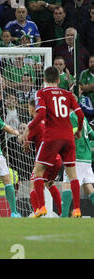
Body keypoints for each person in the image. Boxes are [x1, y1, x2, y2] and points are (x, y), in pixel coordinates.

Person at [26, 66, 85, 218]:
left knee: (38, 172)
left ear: (44, 79)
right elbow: (80, 115)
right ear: (59, 80)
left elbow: (41, 115)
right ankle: (77, 209)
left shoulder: (42, 93)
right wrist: (78, 130)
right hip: (68, 138)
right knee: (72, 174)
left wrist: (29, 126)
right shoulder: (68, 94)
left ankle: (41, 207)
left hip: (52, 137)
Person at [23, 98, 63, 216]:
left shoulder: (34, 123)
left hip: (44, 159)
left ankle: (38, 210)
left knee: (32, 185)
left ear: (31, 108)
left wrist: (22, 138)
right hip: (57, 158)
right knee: (50, 183)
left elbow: (26, 144)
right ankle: (62, 213)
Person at [60, 106, 94, 217]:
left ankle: (64, 215)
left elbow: (74, 132)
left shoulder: (71, 117)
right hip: (87, 157)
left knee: (67, 183)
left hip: (76, 156)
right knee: (88, 187)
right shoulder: (82, 118)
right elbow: (91, 134)